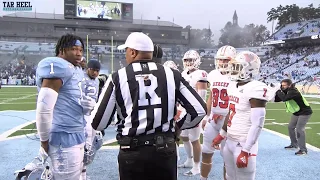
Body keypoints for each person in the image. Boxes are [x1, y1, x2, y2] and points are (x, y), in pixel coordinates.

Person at [90, 32, 207, 180]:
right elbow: (199, 110)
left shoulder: (118, 77)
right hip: (164, 149)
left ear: (132, 52)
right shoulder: (172, 74)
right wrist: (178, 127)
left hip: (132, 151)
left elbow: (98, 123)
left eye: (126, 51)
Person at [35, 34, 95, 179]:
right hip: (63, 137)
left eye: (81, 50)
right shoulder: (57, 65)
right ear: (62, 50)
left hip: (77, 133)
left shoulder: (75, 69)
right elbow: (44, 109)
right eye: (74, 49)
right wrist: (44, 143)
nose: (79, 53)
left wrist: (87, 107)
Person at [213, 51, 268, 180]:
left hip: (244, 143)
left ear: (249, 68)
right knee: (229, 176)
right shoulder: (232, 86)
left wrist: (246, 150)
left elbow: (258, 124)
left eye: (237, 66)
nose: (232, 69)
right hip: (230, 141)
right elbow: (231, 112)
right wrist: (222, 134)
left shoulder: (256, 88)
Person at [200, 45, 236, 180]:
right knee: (206, 152)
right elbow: (211, 97)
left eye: (225, 60)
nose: (222, 63)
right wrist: (206, 116)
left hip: (228, 122)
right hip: (213, 120)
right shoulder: (213, 74)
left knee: (227, 157)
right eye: (220, 60)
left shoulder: (236, 77)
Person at [178, 50, 208, 176]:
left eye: (191, 60)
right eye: (186, 60)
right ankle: (189, 160)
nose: (189, 62)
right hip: (184, 109)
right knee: (184, 136)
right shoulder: (183, 73)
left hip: (195, 110)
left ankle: (196, 167)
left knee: (195, 139)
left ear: (197, 61)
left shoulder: (201, 74)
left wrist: (203, 116)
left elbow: (202, 96)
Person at [275, 79, 313, 155]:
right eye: (281, 85)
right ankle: (294, 144)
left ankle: (303, 150)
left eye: (284, 85)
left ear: (289, 85)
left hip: (304, 112)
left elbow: (285, 98)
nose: (282, 87)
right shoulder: (287, 91)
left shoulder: (293, 91)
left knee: (299, 129)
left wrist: (278, 91)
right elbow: (277, 99)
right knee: (290, 127)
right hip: (297, 112)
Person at [81, 60, 102, 180]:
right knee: (83, 146)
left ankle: (83, 173)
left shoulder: (97, 81)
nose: (94, 72)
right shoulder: (82, 79)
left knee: (92, 145)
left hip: (91, 114)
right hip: (81, 115)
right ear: (87, 68)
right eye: (93, 70)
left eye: (97, 71)